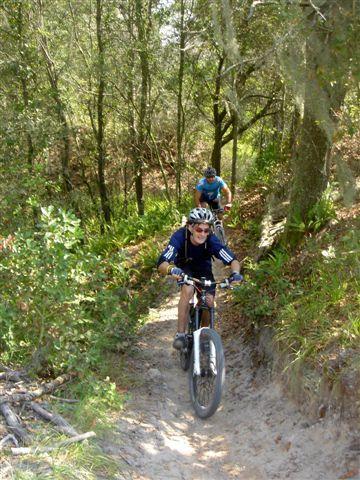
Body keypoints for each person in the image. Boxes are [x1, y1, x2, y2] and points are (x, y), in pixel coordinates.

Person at [157, 207, 243, 350]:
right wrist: (171, 269)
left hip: (203, 269)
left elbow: (233, 260)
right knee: (188, 289)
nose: (202, 234)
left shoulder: (212, 241)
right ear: (190, 227)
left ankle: (202, 335)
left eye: (206, 230)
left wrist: (235, 273)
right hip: (184, 268)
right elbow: (162, 263)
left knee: (209, 302)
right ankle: (181, 334)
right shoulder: (179, 237)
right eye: (199, 229)